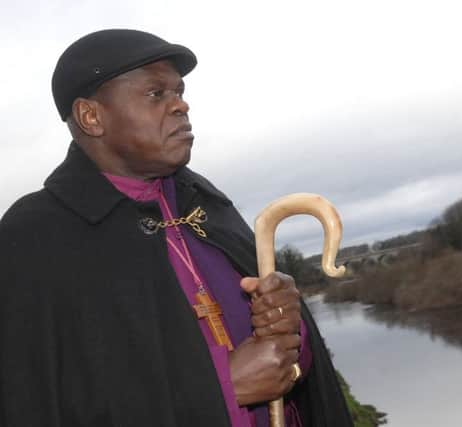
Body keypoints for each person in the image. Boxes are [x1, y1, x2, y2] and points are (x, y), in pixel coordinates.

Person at [0, 29, 352, 427]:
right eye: (156, 94)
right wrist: (222, 388)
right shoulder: (34, 237)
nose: (181, 105)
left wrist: (290, 332)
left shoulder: (204, 203)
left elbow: (293, 374)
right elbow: (33, 404)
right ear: (91, 116)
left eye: (179, 91)